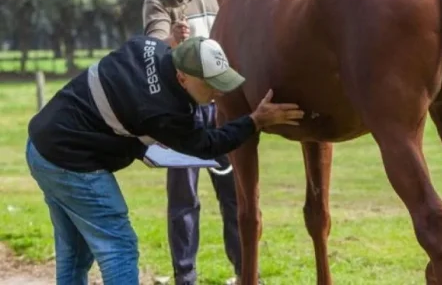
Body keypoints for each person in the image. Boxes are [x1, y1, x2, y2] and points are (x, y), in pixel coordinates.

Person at [26, 34, 304, 285]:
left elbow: (133, 87)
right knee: (119, 245)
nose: (219, 92)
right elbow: (208, 144)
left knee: (75, 252)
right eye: (211, 85)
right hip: (69, 162)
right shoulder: (165, 111)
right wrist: (255, 121)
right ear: (182, 77)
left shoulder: (148, 45)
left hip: (41, 146)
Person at [143, 0, 249, 285]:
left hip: (224, 102)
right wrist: (172, 42)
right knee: (183, 198)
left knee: (234, 194)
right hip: (182, 107)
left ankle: (246, 272)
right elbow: (153, 46)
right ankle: (185, 278)